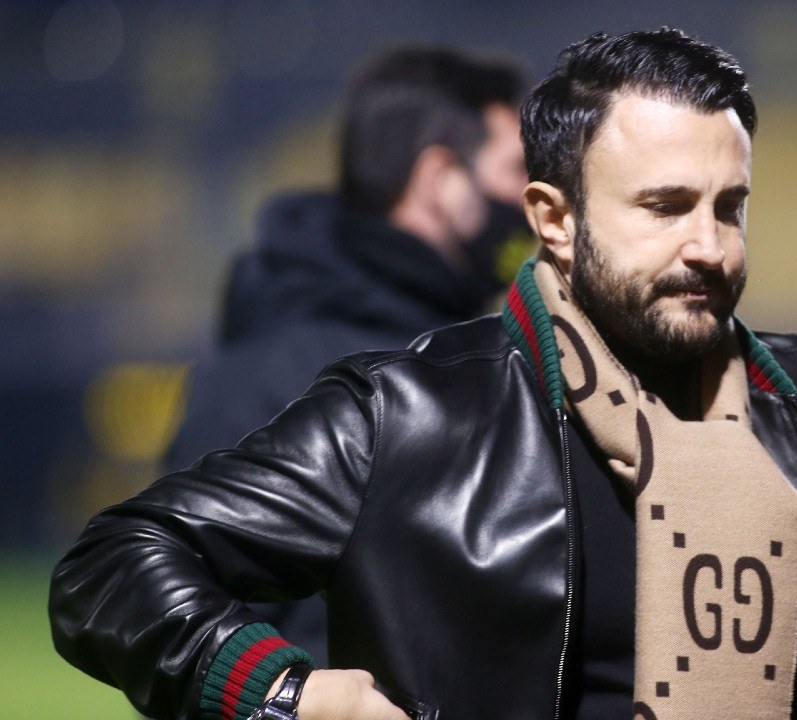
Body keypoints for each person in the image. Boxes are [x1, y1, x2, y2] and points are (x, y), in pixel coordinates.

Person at [50, 29, 797, 720]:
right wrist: (282, 692)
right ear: (554, 219)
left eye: (730, 207)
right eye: (664, 206)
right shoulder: (411, 411)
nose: (709, 246)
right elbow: (113, 565)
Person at [161, 47, 531, 667]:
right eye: (517, 168)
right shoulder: (266, 373)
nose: (536, 197)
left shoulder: (476, 348)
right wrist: (298, 697)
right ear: (440, 178)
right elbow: (179, 608)